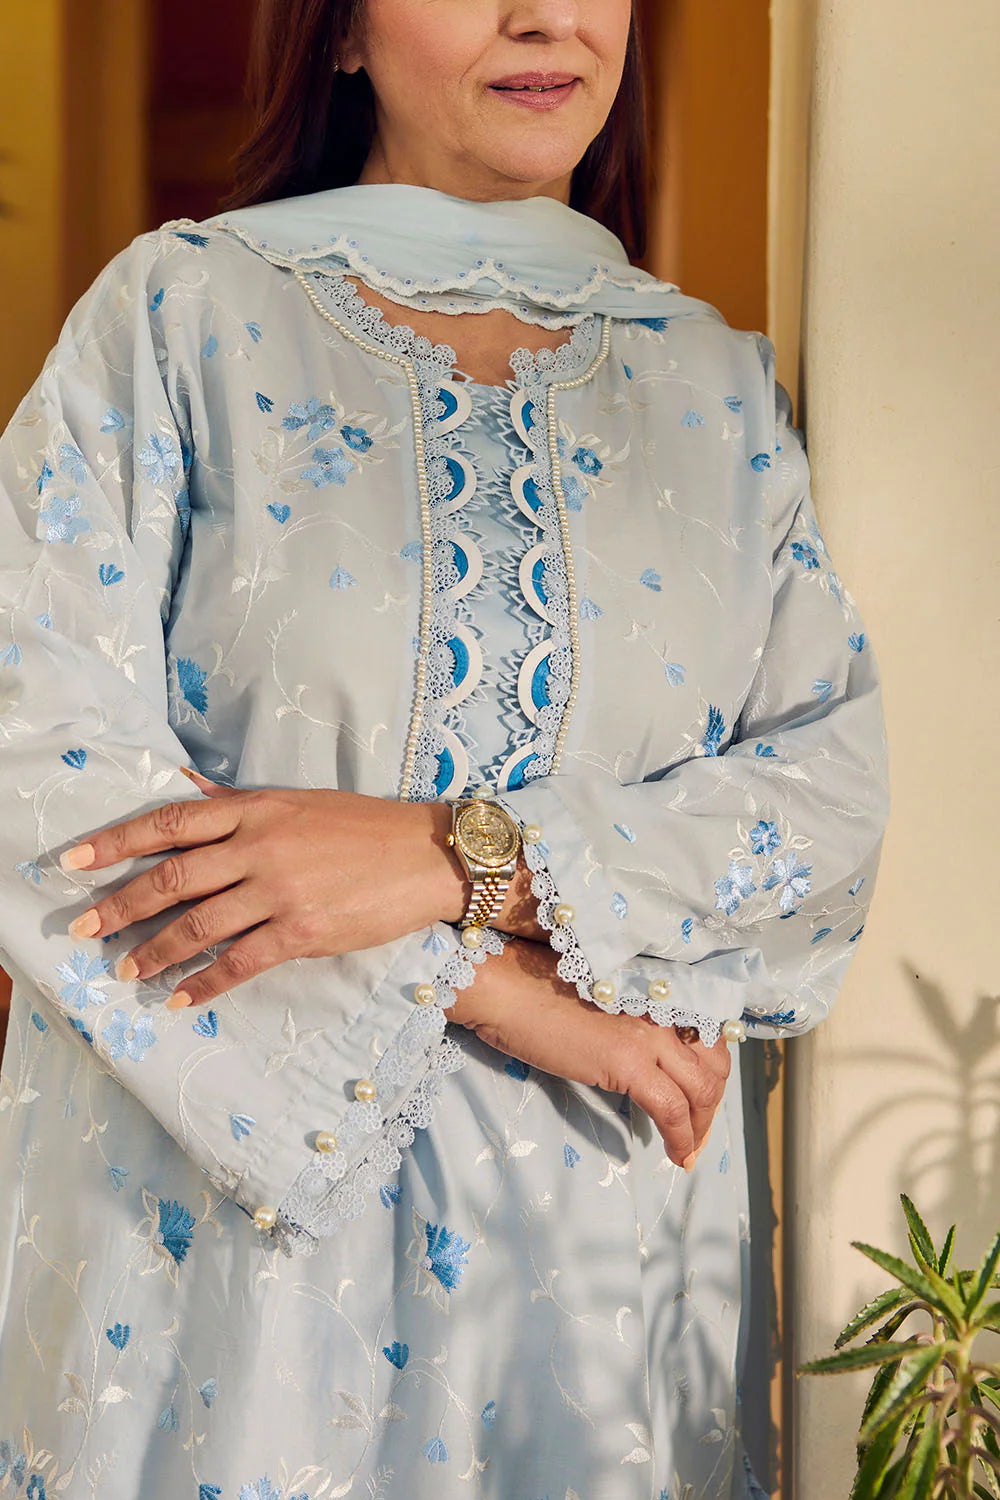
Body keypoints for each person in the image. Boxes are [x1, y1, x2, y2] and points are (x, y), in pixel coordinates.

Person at [0, 0, 889, 1495]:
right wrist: (490, 987)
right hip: (221, 1265)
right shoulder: (178, 318)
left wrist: (442, 861)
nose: (546, 15)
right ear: (338, 33)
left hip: (596, 1265)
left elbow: (820, 810)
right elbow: (39, 755)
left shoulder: (720, 391)